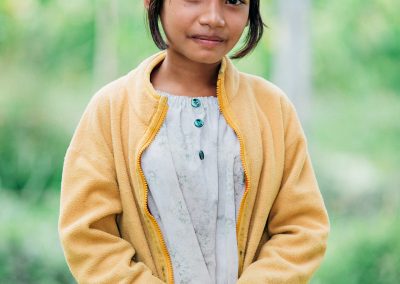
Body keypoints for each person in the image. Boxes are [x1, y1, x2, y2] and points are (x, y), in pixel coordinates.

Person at [58, 0, 330, 283]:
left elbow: (302, 228)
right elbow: (88, 234)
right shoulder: (111, 109)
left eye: (233, 1)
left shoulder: (273, 109)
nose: (213, 18)